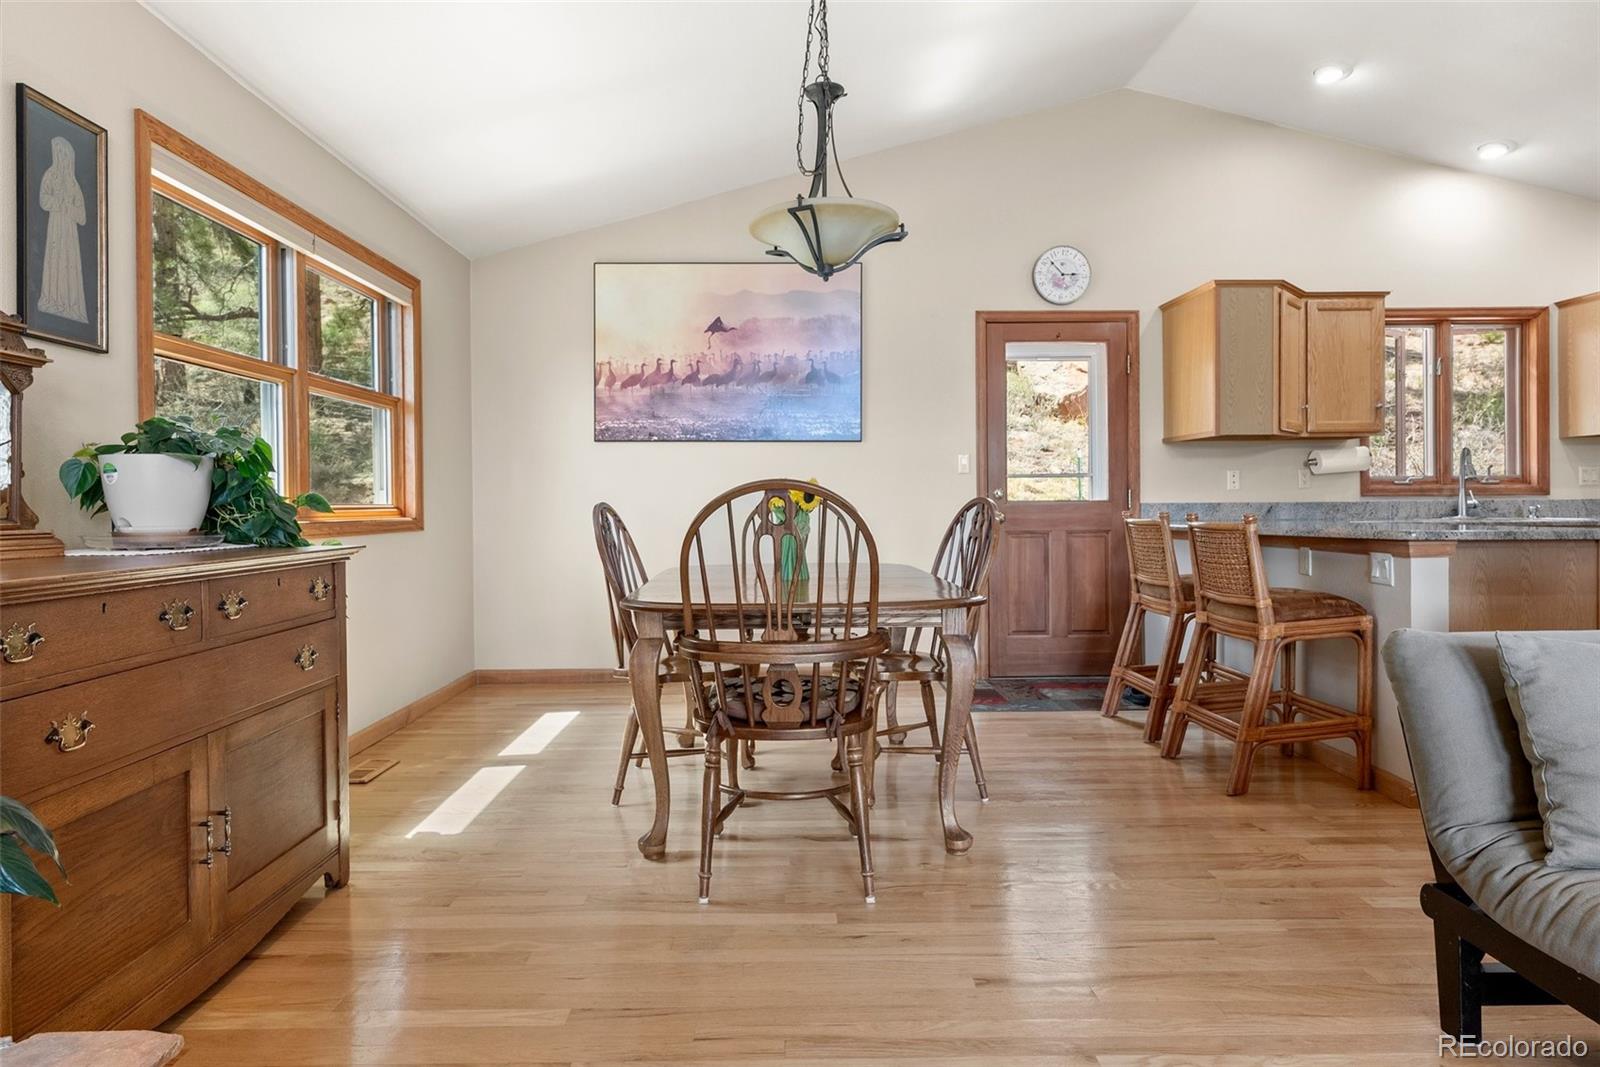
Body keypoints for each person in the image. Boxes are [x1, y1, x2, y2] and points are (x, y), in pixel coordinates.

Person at [38, 136, 88, 324]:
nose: (61, 157)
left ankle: (70, 304)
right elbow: (44, 200)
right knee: (55, 260)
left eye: (64, 153)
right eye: (58, 153)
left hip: (70, 232)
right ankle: (54, 300)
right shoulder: (50, 175)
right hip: (55, 226)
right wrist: (59, 203)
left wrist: (69, 208)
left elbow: (82, 216)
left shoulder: (73, 184)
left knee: (69, 263)